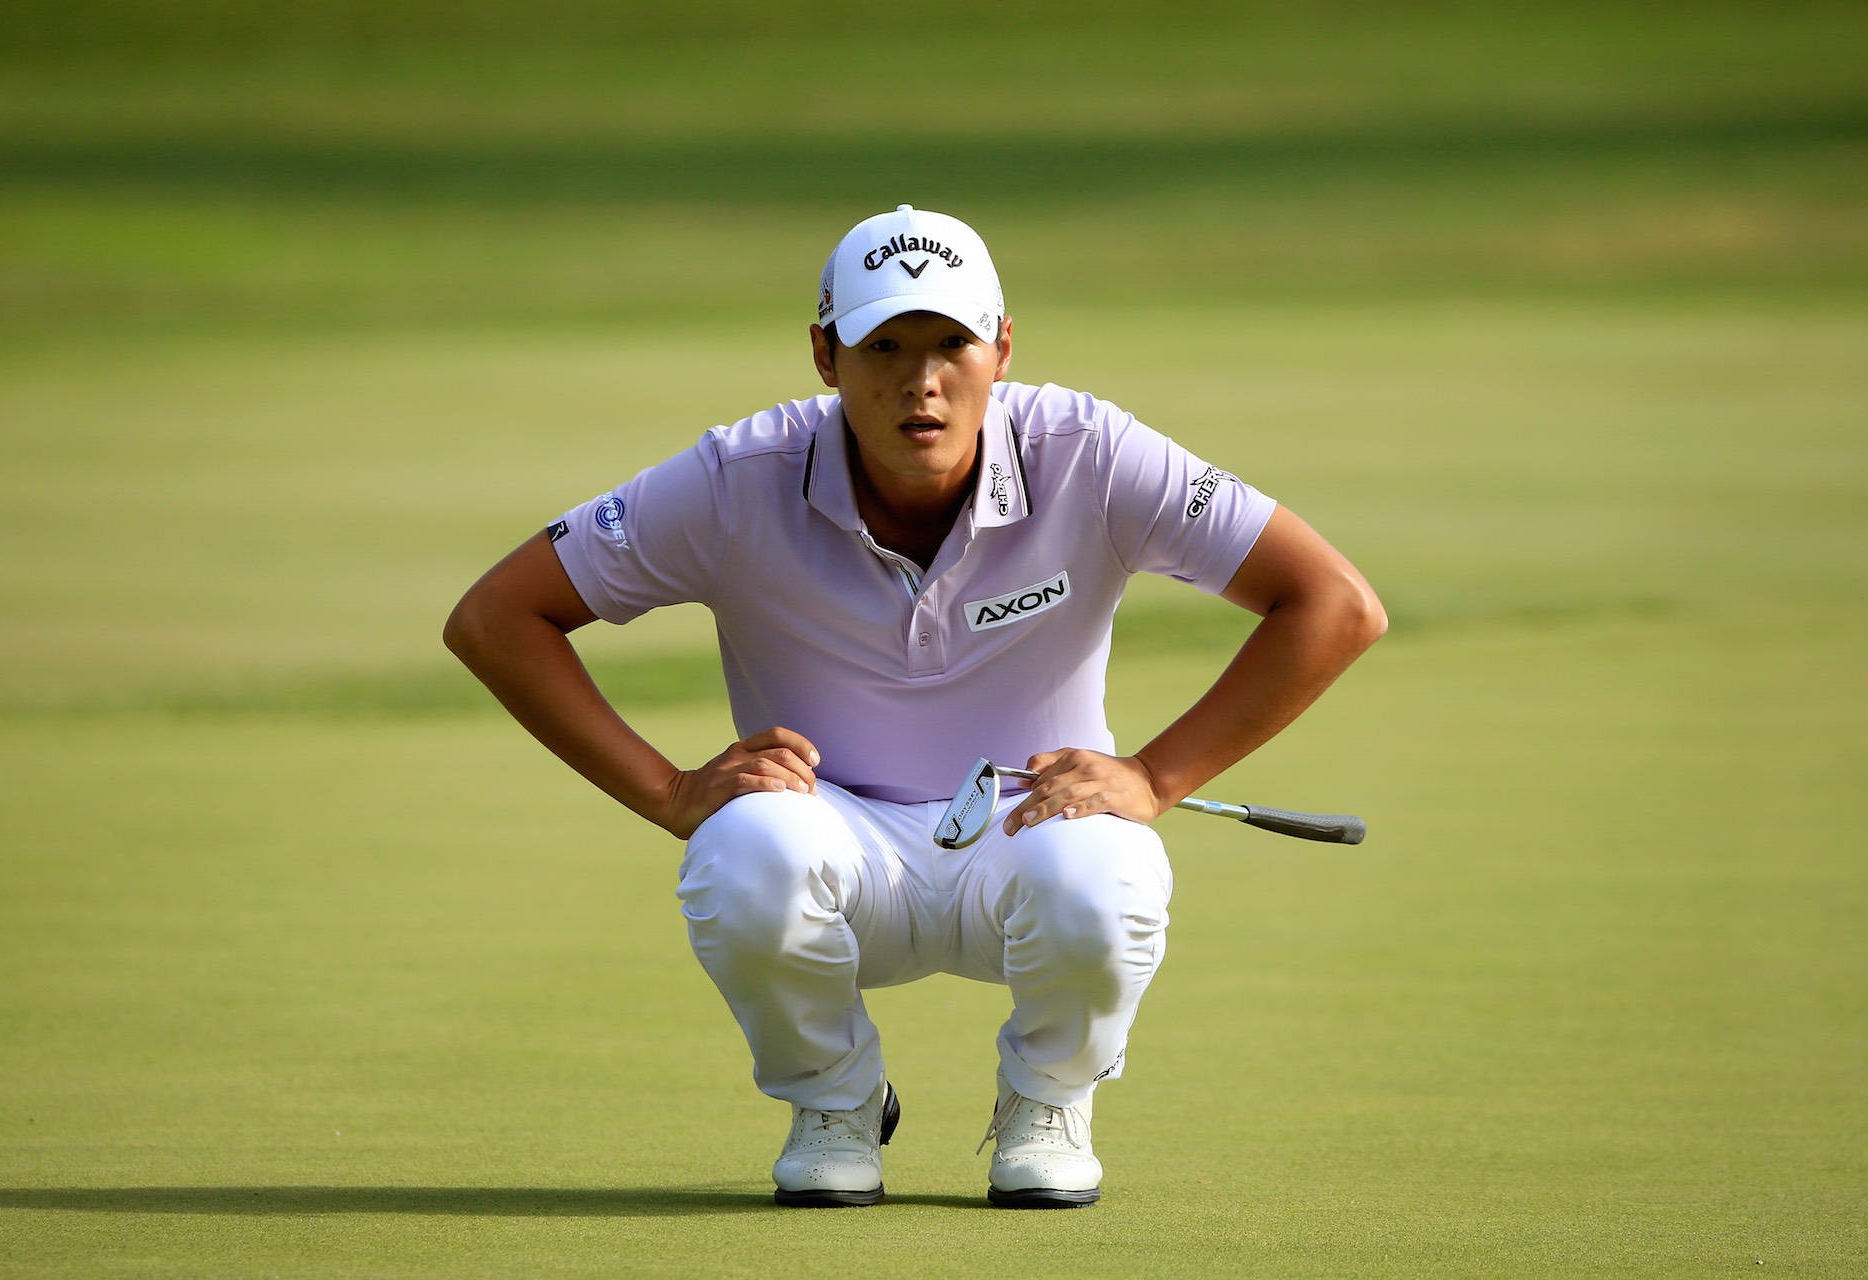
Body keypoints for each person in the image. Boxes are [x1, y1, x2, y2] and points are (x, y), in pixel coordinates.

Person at [443, 204, 1386, 1209]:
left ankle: (1048, 1101)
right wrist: (670, 791)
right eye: (882, 346)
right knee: (743, 849)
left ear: (1003, 349)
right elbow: (498, 617)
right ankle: (834, 1103)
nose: (920, 380)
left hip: (1029, 830)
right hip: (834, 838)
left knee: (1102, 871)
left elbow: (1336, 603)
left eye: (951, 344)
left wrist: (1155, 775)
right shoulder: (736, 477)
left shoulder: (1091, 451)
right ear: (825, 355)